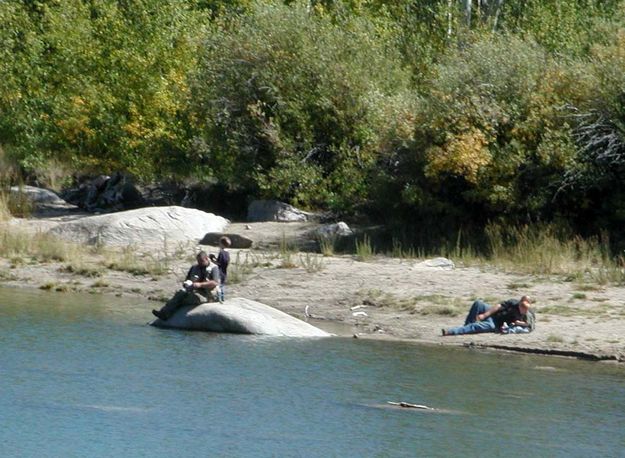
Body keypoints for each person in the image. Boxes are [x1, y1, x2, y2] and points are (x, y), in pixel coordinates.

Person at [151, 251, 220, 321]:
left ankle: (167, 312)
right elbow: (187, 279)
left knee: (184, 299)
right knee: (180, 293)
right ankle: (164, 312)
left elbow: (215, 283)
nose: (200, 263)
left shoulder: (214, 268)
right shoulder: (194, 267)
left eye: (201, 261)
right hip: (194, 291)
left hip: (207, 295)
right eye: (198, 261)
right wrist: (186, 283)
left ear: (207, 258)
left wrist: (200, 284)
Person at [442, 295, 535, 336]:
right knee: (478, 303)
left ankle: (451, 331)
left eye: (524, 306)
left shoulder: (529, 313)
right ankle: (467, 325)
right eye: (521, 304)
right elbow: (498, 306)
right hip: (494, 314)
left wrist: (518, 323)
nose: (522, 307)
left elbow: (528, 325)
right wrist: (485, 315)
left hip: (496, 323)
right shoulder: (513, 302)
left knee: (476, 326)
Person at [209, 236, 231, 302]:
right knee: (222, 285)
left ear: (222, 244)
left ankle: (219, 299)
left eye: (219, 243)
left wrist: (212, 260)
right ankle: (223, 298)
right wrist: (215, 258)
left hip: (219, 271)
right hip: (224, 271)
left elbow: (219, 263)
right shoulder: (227, 253)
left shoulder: (221, 253)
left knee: (218, 285)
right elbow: (223, 262)